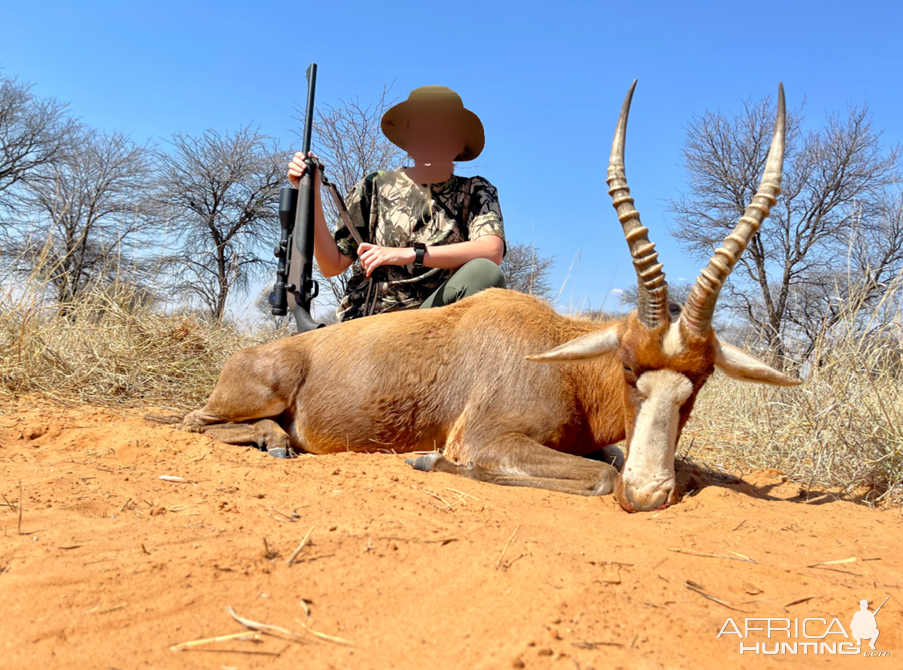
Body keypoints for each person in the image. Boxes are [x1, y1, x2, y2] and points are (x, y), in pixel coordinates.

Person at [287, 85, 507, 321]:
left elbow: (491, 250)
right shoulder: (375, 185)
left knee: (485, 274)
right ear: (407, 138)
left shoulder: (475, 190)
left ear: (459, 142)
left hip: (434, 319)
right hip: (371, 320)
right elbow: (332, 264)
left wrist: (408, 254)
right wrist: (312, 194)